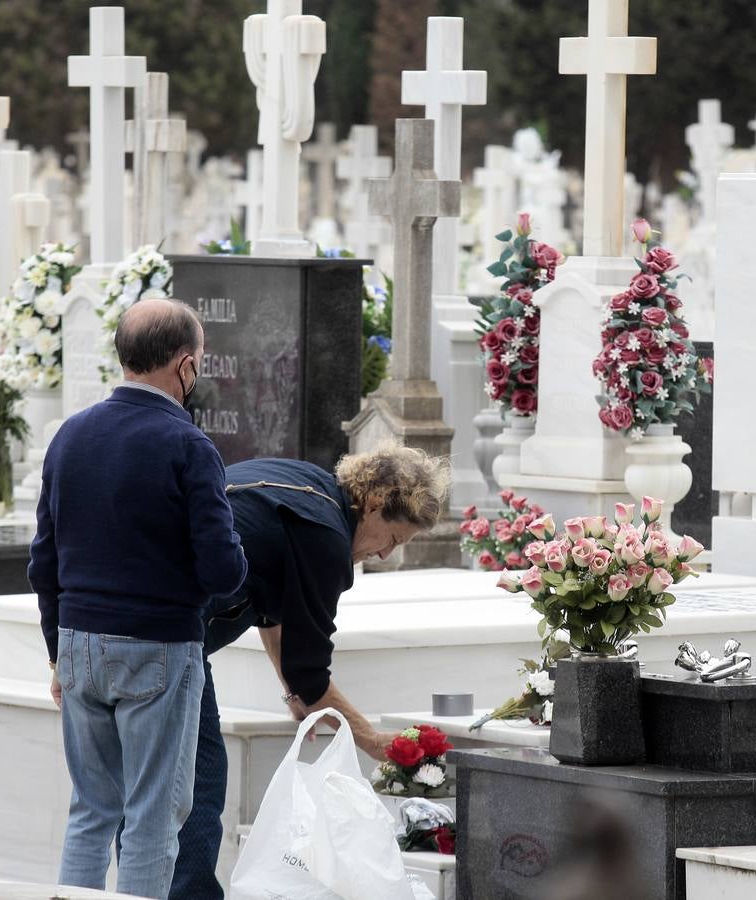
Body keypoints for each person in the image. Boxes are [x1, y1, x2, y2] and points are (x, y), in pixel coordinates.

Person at [29, 298, 248, 900]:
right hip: (156, 646)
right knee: (151, 819)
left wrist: (57, 653)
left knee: (91, 812)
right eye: (199, 361)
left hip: (77, 642)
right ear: (184, 365)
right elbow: (223, 570)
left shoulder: (69, 436)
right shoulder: (188, 444)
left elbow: (43, 560)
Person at [168, 446, 452, 900]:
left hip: (132, 622)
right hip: (171, 640)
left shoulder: (306, 485)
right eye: (393, 539)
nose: (383, 555)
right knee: (199, 781)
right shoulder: (326, 536)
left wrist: (292, 691)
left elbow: (274, 610)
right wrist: (373, 740)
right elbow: (311, 671)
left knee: (148, 792)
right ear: (375, 504)